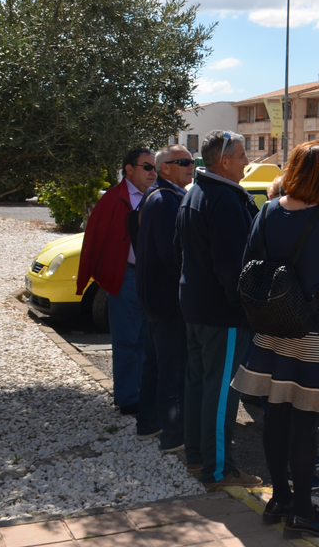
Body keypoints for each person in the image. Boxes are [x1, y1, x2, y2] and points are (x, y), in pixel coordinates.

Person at [229, 143, 319, 540]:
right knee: (305, 422)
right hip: (314, 331)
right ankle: (302, 510)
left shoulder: (268, 211)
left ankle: (280, 499)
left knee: (277, 416)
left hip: (272, 327)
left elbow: (250, 261)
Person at [175, 130, 263, 490]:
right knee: (222, 392)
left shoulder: (194, 192)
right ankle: (218, 470)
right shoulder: (224, 199)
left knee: (200, 385)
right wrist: (245, 308)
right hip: (221, 315)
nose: (247, 162)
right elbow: (232, 268)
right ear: (224, 162)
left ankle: (197, 458)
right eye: (241, 156)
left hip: (197, 308)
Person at [78, 147, 157, 415]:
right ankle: (127, 399)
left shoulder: (155, 196)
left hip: (150, 277)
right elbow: (94, 240)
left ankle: (141, 393)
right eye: (147, 167)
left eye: (154, 167)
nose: (152, 172)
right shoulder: (114, 199)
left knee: (145, 341)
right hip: (127, 277)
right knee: (127, 342)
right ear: (129, 169)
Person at [134, 145, 194, 453]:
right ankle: (173, 435)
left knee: (156, 364)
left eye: (191, 161)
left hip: (155, 297)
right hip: (167, 300)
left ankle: (149, 424)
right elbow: (173, 255)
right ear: (165, 168)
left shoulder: (156, 196)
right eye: (183, 162)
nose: (190, 166)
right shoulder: (165, 200)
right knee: (173, 369)